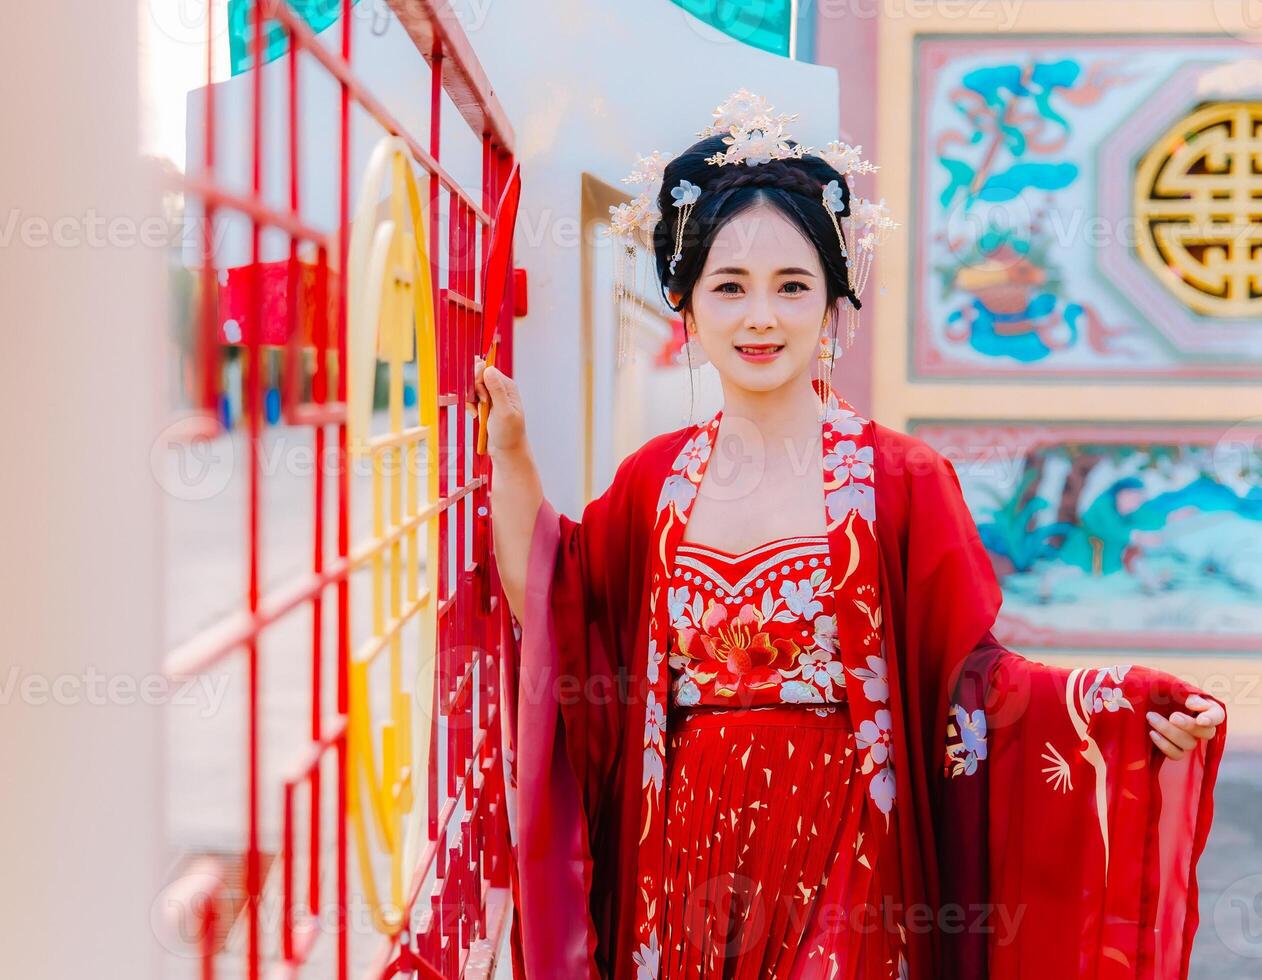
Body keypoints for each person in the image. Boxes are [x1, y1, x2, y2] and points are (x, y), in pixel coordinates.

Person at [473, 90, 1228, 980]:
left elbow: (977, 685)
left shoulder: (901, 481)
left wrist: (1127, 705)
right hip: (682, 852)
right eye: (730, 287)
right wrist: (512, 452)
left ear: (835, 303)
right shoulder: (654, 484)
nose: (763, 317)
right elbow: (557, 610)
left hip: (851, 845)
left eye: (794, 287)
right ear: (685, 303)